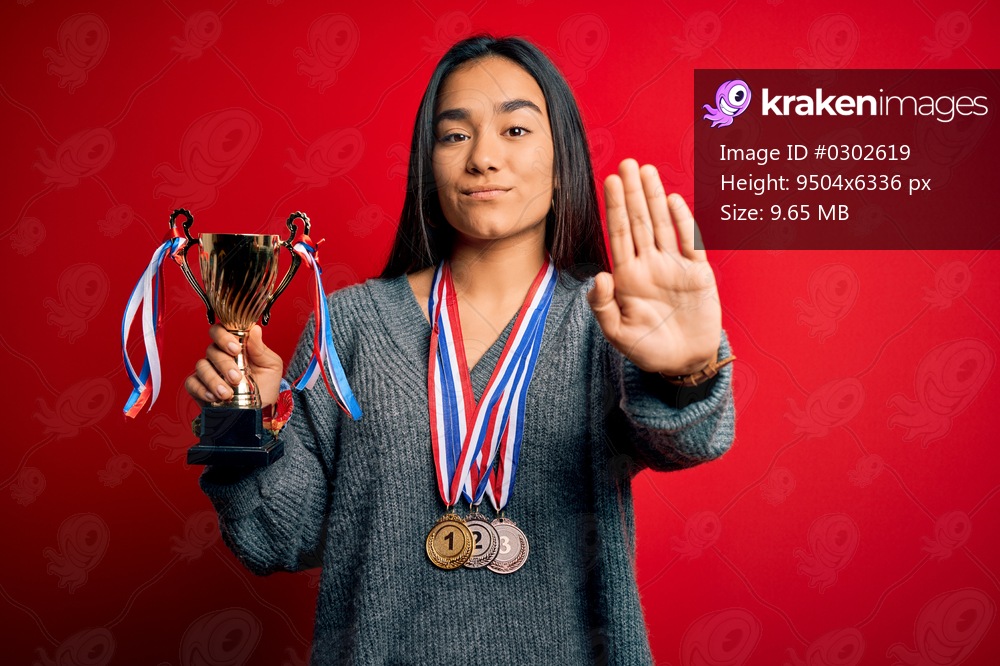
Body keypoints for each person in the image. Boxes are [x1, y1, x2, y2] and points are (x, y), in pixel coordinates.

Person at [186, 35, 735, 665]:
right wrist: (238, 413)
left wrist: (687, 371)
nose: (483, 158)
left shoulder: (606, 320)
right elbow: (280, 537)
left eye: (516, 130)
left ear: (563, 163)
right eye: (455, 136)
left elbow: (686, 441)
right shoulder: (349, 325)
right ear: (429, 167)